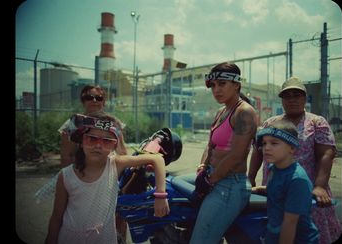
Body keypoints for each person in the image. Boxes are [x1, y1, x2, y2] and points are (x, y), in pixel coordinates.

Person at [45, 112, 170, 244]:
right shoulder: (66, 176)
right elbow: (56, 218)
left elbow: (157, 159)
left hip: (104, 238)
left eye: (106, 141)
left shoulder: (115, 164)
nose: (98, 145)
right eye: (92, 138)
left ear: (114, 145)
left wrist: (161, 195)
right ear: (81, 141)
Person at [248, 76, 342, 243]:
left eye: (296, 95)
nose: (292, 99)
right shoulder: (271, 122)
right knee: (277, 225)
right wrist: (250, 179)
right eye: (287, 96)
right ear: (282, 100)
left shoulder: (316, 122)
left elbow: (326, 154)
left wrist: (320, 186)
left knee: (302, 229)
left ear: (305, 98)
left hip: (306, 188)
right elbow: (258, 151)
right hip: (276, 185)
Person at [189, 62, 257, 243]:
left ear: (236, 85)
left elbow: (236, 155)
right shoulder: (221, 111)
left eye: (222, 84)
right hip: (213, 177)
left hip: (230, 185)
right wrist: (202, 166)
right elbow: (210, 145)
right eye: (213, 85)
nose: (216, 90)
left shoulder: (244, 112)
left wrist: (209, 181)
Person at [252, 120, 319, 243]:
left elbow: (290, 223)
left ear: (292, 148)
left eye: (274, 143)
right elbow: (278, 191)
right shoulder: (274, 168)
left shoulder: (297, 180)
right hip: (274, 233)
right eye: (264, 143)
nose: (266, 148)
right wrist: (257, 190)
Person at [59, 85, 127, 167]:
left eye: (99, 98)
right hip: (81, 171)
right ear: (83, 101)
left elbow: (122, 152)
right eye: (89, 97)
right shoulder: (74, 123)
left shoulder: (113, 122)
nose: (94, 100)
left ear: (103, 102)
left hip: (108, 170)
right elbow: (66, 155)